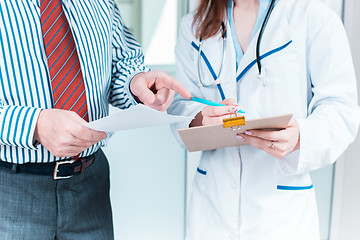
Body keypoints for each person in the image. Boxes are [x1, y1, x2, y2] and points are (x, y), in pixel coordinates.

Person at [168, 0, 360, 239]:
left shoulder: (314, 17)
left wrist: (300, 135)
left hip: (280, 213)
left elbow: (340, 109)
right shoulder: (193, 25)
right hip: (212, 208)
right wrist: (198, 118)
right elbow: (179, 105)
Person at [0, 0, 190, 239]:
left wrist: (137, 84)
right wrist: (34, 125)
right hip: (10, 190)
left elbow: (122, 64)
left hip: (90, 185)